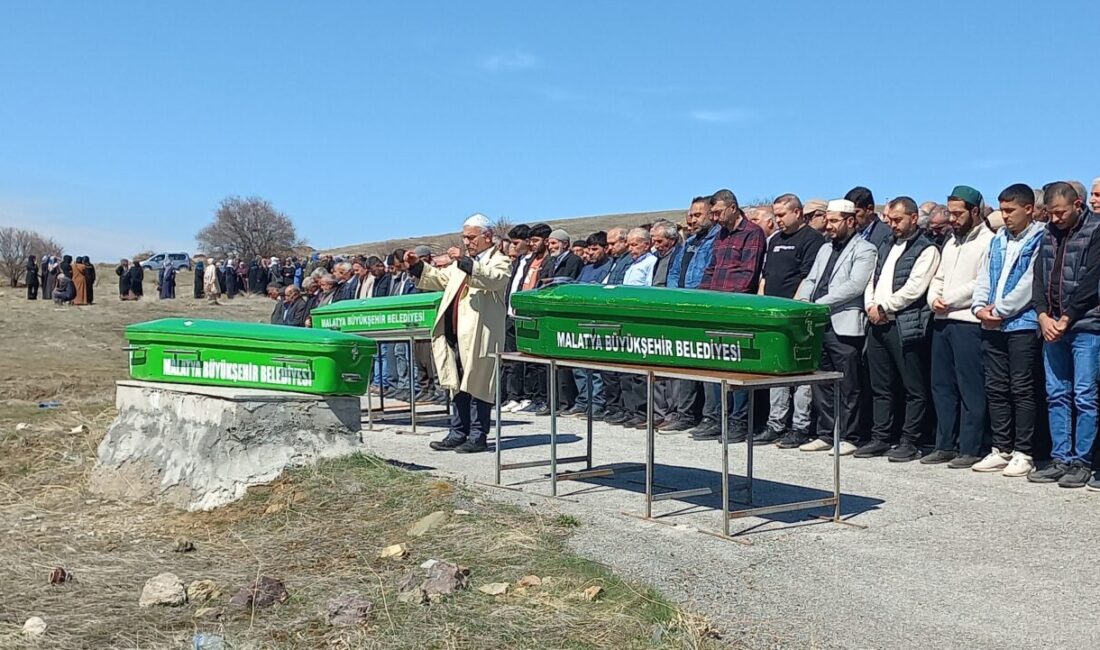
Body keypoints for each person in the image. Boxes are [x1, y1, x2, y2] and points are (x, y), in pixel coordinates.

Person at [407, 213, 511, 454]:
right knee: (457, 384)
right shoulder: (462, 263)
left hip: (479, 335)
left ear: (487, 236)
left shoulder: (500, 261)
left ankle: (478, 435)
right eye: (464, 237)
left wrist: (465, 262)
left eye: (471, 237)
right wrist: (417, 265)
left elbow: (492, 279)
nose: (466, 241)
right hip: (455, 333)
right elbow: (439, 278)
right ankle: (458, 432)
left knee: (478, 384)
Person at [969, 184, 1046, 477]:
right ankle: (1001, 447)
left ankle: (1024, 452)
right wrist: (980, 307)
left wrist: (1001, 311)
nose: (1005, 216)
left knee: (1022, 388)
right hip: (991, 323)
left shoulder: (1040, 238)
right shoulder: (998, 239)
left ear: (1029, 209)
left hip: (1021, 324)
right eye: (1002, 210)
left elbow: (1030, 282)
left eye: (1011, 210)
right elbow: (984, 276)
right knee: (996, 387)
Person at [857, 196, 941, 462]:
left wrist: (885, 307)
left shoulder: (926, 249)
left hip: (904, 324)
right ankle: (881, 437)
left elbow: (915, 288)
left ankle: (910, 440)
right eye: (889, 219)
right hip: (877, 322)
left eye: (897, 219)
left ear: (914, 218)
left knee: (912, 387)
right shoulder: (886, 244)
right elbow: (873, 279)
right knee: (880, 385)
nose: (892, 224)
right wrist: (871, 305)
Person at [1029, 182, 1100, 488]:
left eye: (1060, 213)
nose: (1055, 219)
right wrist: (1043, 315)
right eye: (1050, 213)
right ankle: (1061, 458)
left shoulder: (1095, 230)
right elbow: (1038, 277)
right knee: (1057, 394)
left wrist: (1067, 318)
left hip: (1085, 325)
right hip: (1052, 326)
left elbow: (1092, 280)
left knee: (1085, 396)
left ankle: (1082, 461)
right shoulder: (1047, 233)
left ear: (1077, 205)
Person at [920, 186, 995, 468]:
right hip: (942, 320)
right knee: (941, 385)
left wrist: (949, 299)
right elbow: (938, 277)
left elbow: (982, 281)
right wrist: (933, 299)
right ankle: (944, 444)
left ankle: (970, 447)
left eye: (957, 213)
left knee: (969, 386)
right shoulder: (950, 242)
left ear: (974, 211)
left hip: (968, 321)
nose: (952, 219)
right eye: (950, 213)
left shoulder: (988, 241)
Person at [796, 200, 878, 455]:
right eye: (827, 220)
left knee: (848, 383)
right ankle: (826, 433)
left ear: (850, 221)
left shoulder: (865, 249)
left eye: (834, 221)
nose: (828, 225)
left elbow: (855, 285)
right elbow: (811, 278)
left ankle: (849, 435)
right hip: (819, 323)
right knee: (821, 381)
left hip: (843, 323)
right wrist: (803, 301)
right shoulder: (824, 248)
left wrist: (819, 304)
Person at [692, 189, 766, 442]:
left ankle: (738, 420)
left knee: (737, 367)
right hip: (715, 307)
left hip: (737, 309)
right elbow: (711, 269)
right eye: (712, 213)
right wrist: (702, 298)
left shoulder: (752, 233)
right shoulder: (721, 236)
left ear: (733, 208)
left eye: (717, 212)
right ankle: (715, 417)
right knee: (715, 365)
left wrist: (728, 303)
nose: (714, 218)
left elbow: (748, 274)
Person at [756, 194, 825, 446]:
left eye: (782, 215)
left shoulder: (812, 239)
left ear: (797, 212)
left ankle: (800, 426)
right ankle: (776, 423)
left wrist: (793, 308)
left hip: (797, 316)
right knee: (777, 371)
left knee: (801, 374)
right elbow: (766, 275)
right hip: (772, 315)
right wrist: (761, 301)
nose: (778, 220)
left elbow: (808, 278)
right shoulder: (775, 240)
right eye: (775, 215)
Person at [606, 227, 659, 429]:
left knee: (639, 372)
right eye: (628, 244)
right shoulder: (632, 263)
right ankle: (629, 409)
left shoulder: (651, 262)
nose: (630, 248)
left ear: (646, 244)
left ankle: (642, 411)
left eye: (634, 245)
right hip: (624, 318)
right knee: (625, 370)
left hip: (640, 319)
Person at [501, 225, 535, 414]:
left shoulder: (534, 261)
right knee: (510, 358)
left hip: (523, 316)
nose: (513, 247)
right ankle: (513, 395)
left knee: (525, 359)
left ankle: (525, 395)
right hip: (510, 314)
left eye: (516, 243)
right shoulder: (518, 262)